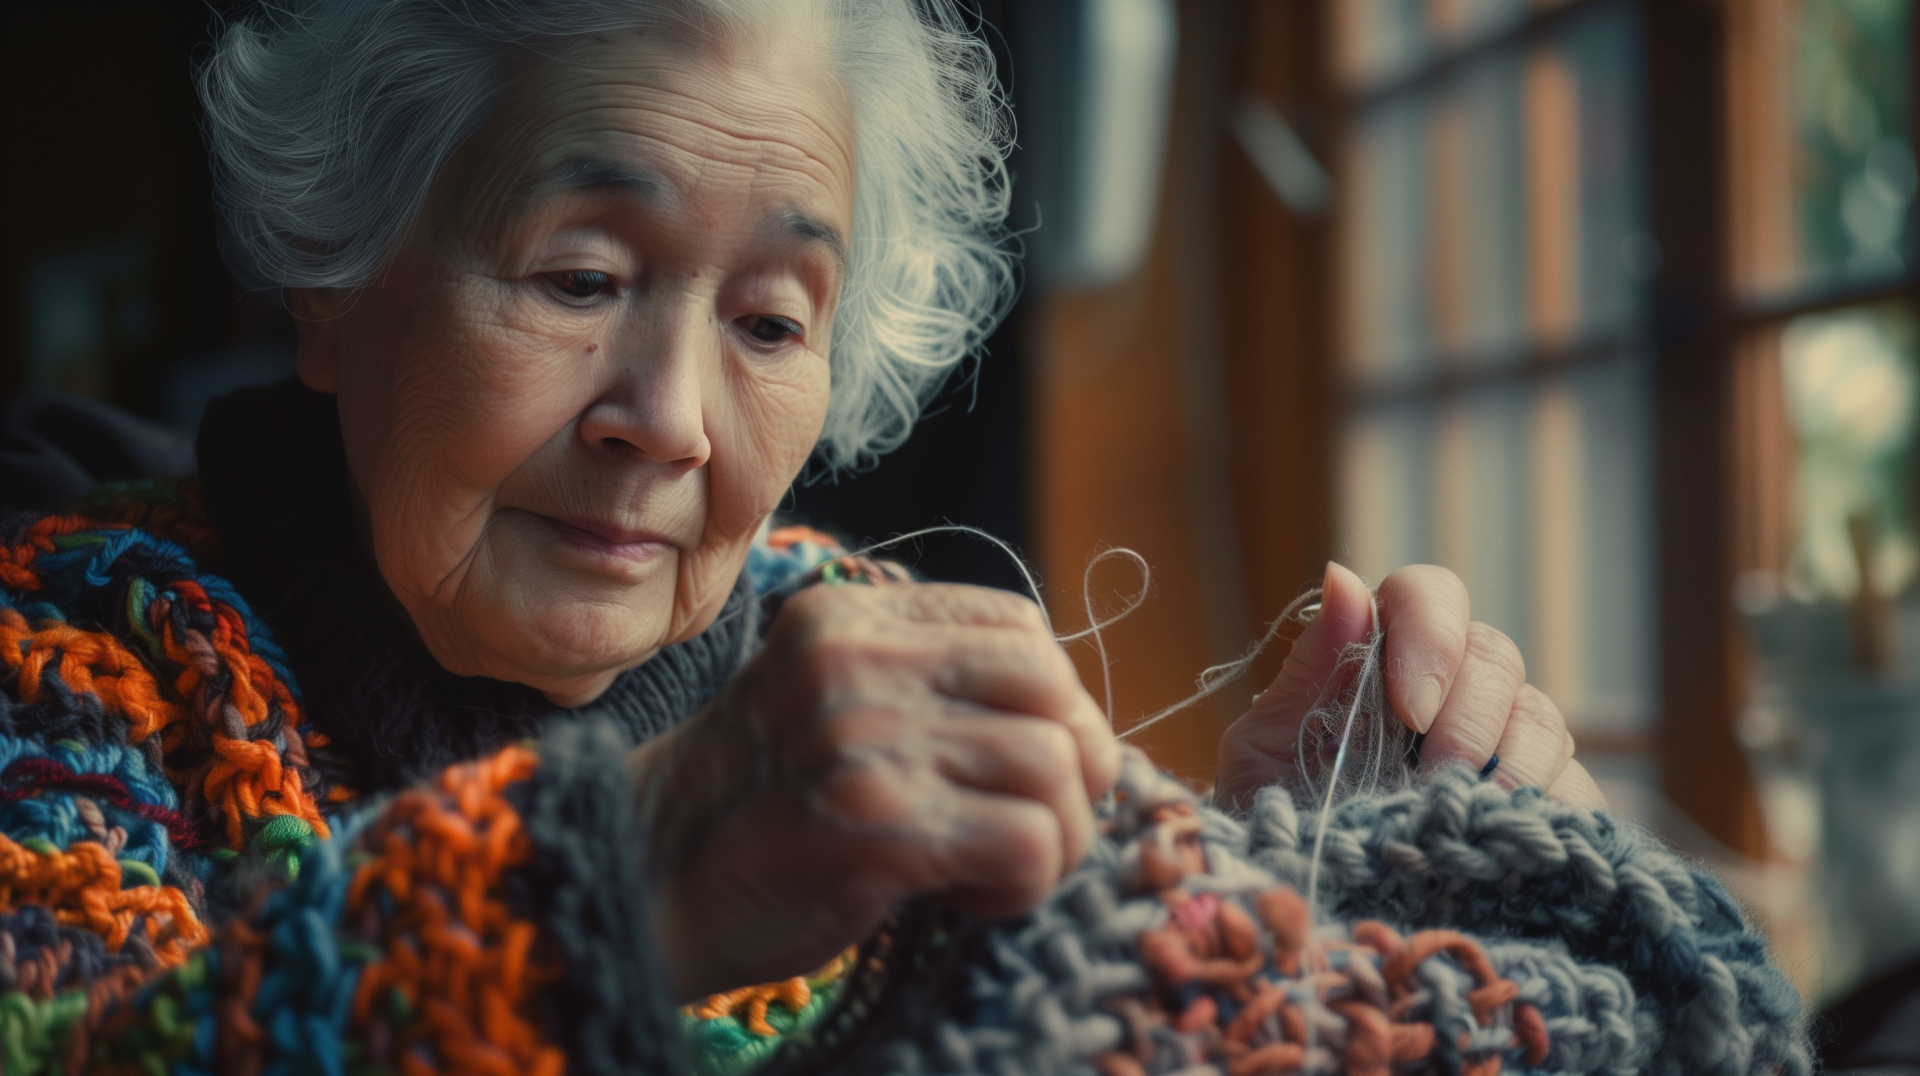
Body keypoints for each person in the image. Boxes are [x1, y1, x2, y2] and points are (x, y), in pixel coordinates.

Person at [0, 1, 1752, 1073]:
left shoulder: (853, 636)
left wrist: (1277, 887)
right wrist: (628, 878)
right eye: (579, 277)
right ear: (331, 278)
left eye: (772, 320)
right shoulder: (74, 657)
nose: (670, 417)